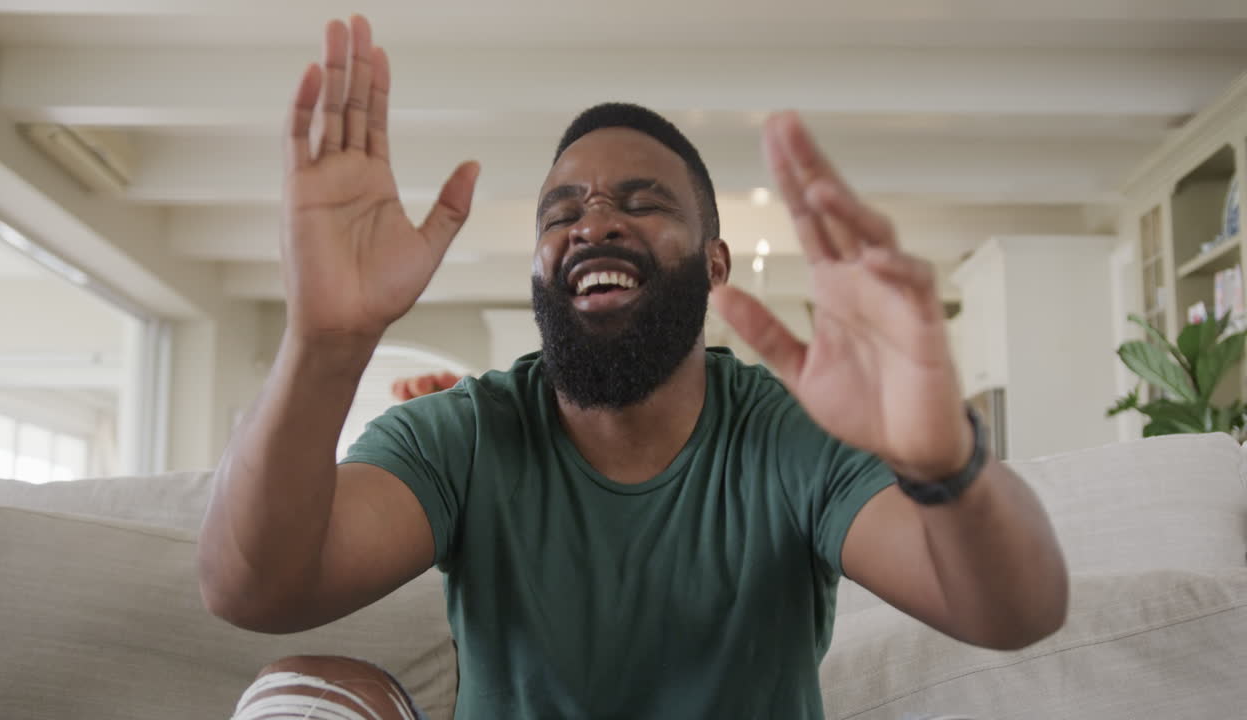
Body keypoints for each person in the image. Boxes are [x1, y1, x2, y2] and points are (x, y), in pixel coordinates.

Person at [197, 14, 1068, 720]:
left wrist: (942, 461)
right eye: (562, 211)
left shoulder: (789, 435)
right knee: (308, 693)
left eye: (642, 203)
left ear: (716, 264)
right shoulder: (467, 434)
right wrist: (326, 339)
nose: (595, 222)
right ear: (541, 265)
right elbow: (253, 589)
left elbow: (1014, 613)